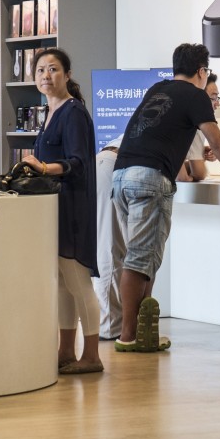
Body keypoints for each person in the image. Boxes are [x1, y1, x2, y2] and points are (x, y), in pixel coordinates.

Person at [112, 43, 220, 352]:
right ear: (202, 72)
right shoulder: (196, 95)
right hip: (150, 177)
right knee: (140, 259)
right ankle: (128, 336)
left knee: (144, 256)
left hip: (122, 174)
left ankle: (142, 334)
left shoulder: (158, 88)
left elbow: (162, 133)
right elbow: (219, 142)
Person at [20, 48, 103, 374]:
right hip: (54, 208)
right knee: (60, 283)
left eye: (53, 69)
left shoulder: (73, 113)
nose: (45, 75)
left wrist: (44, 167)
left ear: (67, 75)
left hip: (73, 208)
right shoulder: (50, 112)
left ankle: (92, 355)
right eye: (40, 70)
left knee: (78, 281)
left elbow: (79, 163)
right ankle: (66, 349)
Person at [94, 135, 125, 340]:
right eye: (214, 99)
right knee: (110, 244)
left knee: (109, 242)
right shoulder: (194, 120)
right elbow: (189, 174)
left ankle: (111, 322)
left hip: (106, 162)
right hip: (113, 165)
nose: (217, 104)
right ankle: (109, 326)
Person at [176, 72, 220, 182]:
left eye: (218, 98)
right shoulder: (196, 121)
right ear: (200, 98)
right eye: (213, 98)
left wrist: (201, 155)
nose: (217, 104)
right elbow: (199, 173)